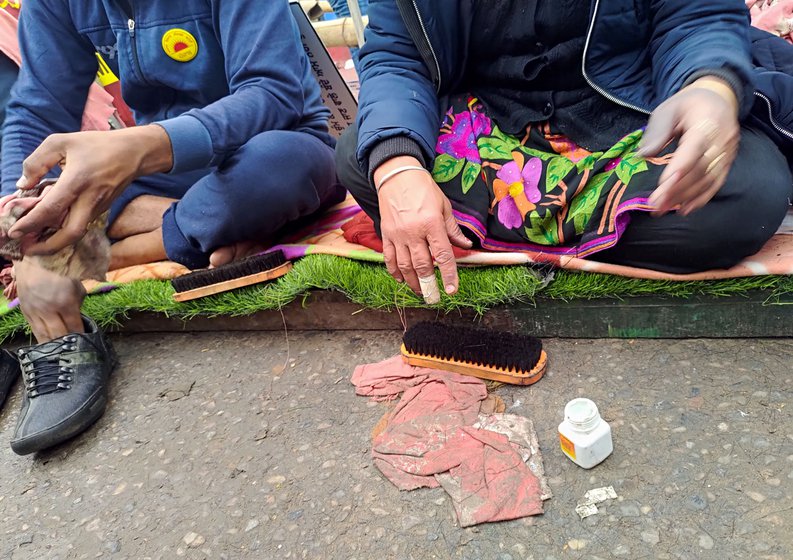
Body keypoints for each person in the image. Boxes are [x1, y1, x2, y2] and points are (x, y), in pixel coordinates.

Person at [1, 0, 343, 455]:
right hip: (155, 164)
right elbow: (37, 112)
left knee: (277, 172)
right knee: (67, 190)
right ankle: (205, 227)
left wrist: (141, 148)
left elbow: (272, 93)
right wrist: (20, 222)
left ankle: (99, 255)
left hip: (265, 142)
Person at [336, 0, 793, 302]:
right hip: (483, 122)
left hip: (626, 113)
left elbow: (695, 16)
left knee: (749, 190)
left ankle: (484, 230)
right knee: (366, 155)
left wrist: (710, 86)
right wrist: (397, 170)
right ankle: (589, 231)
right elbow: (397, 55)